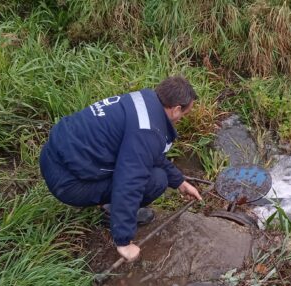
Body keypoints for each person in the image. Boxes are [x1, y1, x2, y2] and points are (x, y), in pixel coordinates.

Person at [39, 76, 203, 263]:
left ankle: (111, 204)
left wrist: (180, 182)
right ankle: (114, 211)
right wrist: (123, 241)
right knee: (157, 180)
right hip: (67, 182)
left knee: (143, 165)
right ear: (176, 109)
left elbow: (150, 153)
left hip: (52, 156)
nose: (182, 119)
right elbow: (130, 181)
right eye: (185, 114)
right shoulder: (147, 130)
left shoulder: (144, 100)